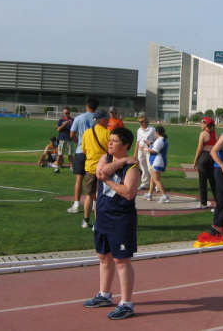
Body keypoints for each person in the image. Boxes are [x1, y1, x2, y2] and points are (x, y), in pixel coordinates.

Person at [84, 127, 140, 320]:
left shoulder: (133, 169)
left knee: (121, 261)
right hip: (103, 217)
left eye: (114, 141)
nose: (110, 143)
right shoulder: (107, 159)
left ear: (125, 145)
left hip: (121, 219)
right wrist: (122, 160)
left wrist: (108, 181)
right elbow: (101, 172)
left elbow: (128, 192)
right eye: (110, 140)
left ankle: (126, 303)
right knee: (103, 257)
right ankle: (104, 295)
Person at [81, 110, 111, 228]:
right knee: (100, 197)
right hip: (103, 169)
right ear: (102, 120)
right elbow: (111, 152)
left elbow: (84, 150)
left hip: (90, 168)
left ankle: (86, 220)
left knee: (89, 195)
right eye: (106, 118)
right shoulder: (108, 133)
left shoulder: (87, 133)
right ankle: (98, 223)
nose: (108, 120)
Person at [68, 98, 99, 214]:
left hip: (81, 150)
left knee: (79, 179)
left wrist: (80, 142)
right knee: (95, 180)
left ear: (87, 106)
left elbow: (72, 134)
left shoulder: (79, 118)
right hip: (94, 152)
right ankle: (94, 204)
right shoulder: (98, 119)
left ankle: (76, 204)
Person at [192, 116, 217, 208]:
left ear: (206, 124)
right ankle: (218, 201)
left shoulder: (203, 134)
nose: (200, 124)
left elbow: (199, 148)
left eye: (202, 123)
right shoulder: (215, 133)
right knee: (213, 182)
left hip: (204, 157)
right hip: (213, 157)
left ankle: (203, 203)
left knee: (202, 182)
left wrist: (195, 161)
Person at [144, 126, 170, 203]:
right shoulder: (160, 140)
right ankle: (149, 194)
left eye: (155, 132)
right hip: (158, 161)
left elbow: (154, 151)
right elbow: (156, 147)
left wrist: (145, 149)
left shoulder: (159, 140)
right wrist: (150, 144)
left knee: (156, 180)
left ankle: (164, 196)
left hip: (157, 161)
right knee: (153, 179)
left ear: (157, 132)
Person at [133, 115, 156, 191]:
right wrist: (135, 154)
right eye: (140, 122)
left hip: (149, 150)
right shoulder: (139, 130)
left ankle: (156, 184)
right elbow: (138, 142)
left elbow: (156, 140)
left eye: (142, 121)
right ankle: (145, 183)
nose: (141, 123)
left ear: (146, 121)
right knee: (143, 167)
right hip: (141, 150)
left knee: (150, 167)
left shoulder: (152, 129)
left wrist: (150, 144)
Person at [54, 108, 75, 174]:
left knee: (70, 155)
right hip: (62, 139)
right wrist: (64, 124)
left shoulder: (73, 120)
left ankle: (72, 167)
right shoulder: (61, 120)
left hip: (70, 139)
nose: (67, 114)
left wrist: (71, 124)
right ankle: (56, 167)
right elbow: (58, 129)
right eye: (66, 113)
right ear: (63, 113)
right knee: (60, 155)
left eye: (68, 113)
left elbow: (75, 130)